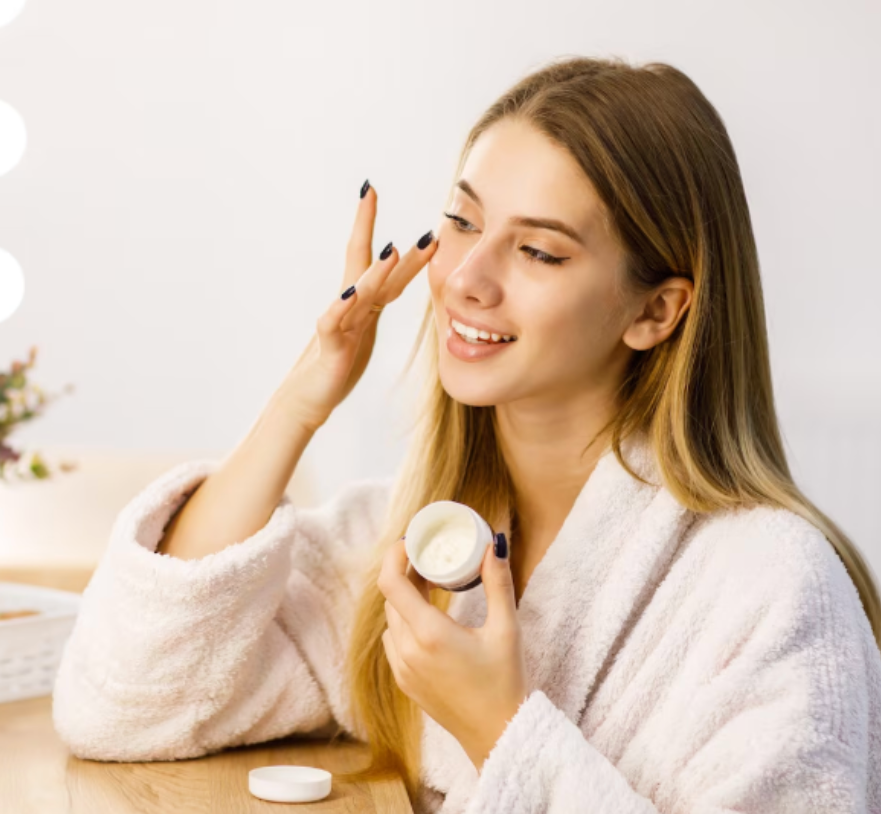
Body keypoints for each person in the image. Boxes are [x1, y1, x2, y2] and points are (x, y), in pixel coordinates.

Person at [52, 55, 881, 813]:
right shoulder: (417, 543)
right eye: (460, 220)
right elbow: (127, 703)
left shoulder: (771, 587)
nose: (466, 279)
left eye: (540, 253)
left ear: (655, 309)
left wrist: (501, 729)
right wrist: (304, 397)